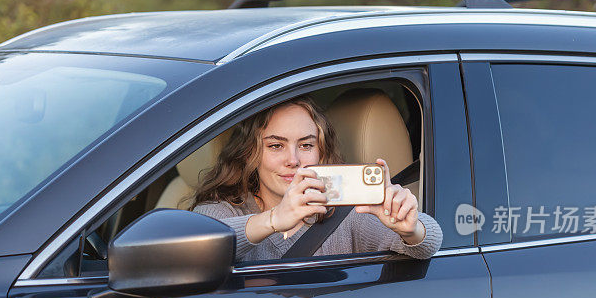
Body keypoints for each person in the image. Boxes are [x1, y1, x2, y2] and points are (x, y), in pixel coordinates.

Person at [190, 96, 443, 262]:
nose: (293, 160)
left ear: (321, 151)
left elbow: (427, 244)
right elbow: (195, 247)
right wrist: (273, 220)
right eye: (276, 146)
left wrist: (410, 228)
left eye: (306, 145)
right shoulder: (226, 210)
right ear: (250, 154)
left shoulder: (346, 213)